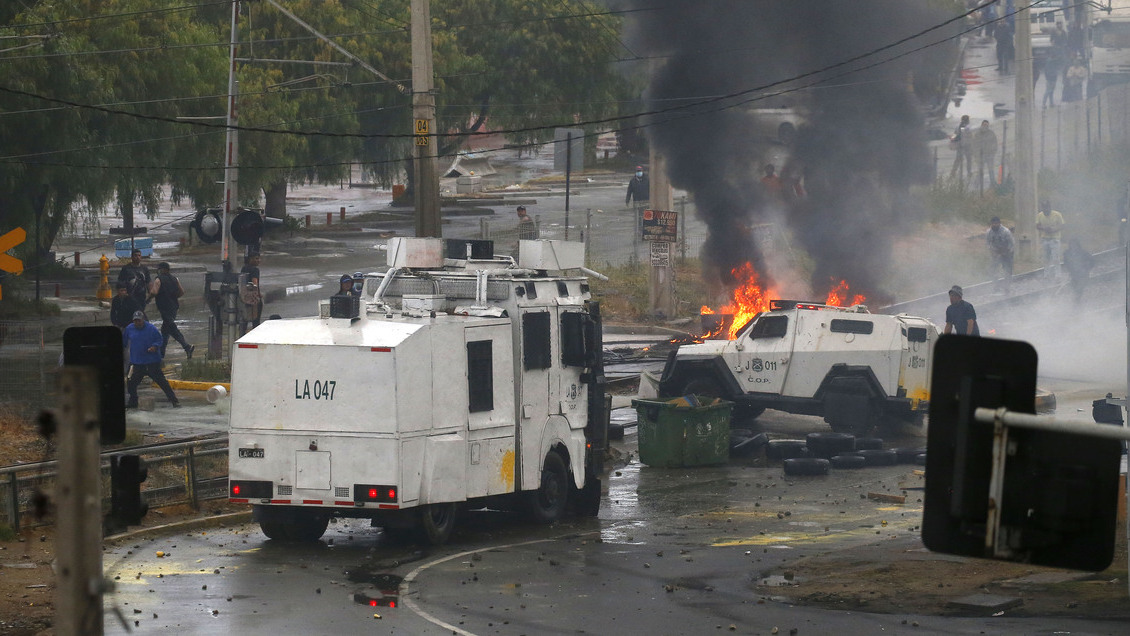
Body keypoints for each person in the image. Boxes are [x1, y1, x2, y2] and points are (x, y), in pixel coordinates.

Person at [122, 310, 179, 408]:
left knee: (162, 382)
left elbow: (159, 340)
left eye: (139, 321)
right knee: (131, 383)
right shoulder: (129, 329)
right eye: (135, 321)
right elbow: (124, 341)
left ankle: (174, 400)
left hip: (151, 362)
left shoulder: (151, 329)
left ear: (143, 320)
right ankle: (133, 401)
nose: (137, 323)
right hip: (137, 362)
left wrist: (154, 346)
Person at [148, 262, 194, 358]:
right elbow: (182, 292)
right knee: (166, 330)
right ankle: (161, 353)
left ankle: (187, 346)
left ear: (162, 269)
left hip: (164, 307)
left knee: (172, 329)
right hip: (173, 307)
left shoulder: (158, 279)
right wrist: (173, 297)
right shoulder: (175, 279)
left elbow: (154, 291)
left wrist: (149, 298)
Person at [1036, 199, 1066, 280]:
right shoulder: (1040, 215)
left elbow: (1062, 225)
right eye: (1043, 208)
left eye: (1046, 208)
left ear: (1049, 207)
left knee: (1055, 258)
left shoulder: (1057, 214)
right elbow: (1037, 226)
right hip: (1044, 239)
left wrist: (1054, 229)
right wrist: (1044, 228)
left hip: (1055, 239)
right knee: (1046, 258)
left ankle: (1058, 275)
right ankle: (1046, 275)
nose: (1045, 210)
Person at [985, 216, 1014, 293]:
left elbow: (1011, 244)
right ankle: (996, 286)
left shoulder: (1006, 232)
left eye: (996, 223)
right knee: (993, 270)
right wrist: (992, 251)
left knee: (1007, 270)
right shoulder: (989, 232)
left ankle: (1007, 287)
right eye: (993, 224)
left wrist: (1006, 252)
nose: (994, 225)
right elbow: (988, 243)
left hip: (1006, 253)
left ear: (999, 223)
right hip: (995, 253)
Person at [240, 253, 262, 334]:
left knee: (244, 319)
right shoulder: (255, 270)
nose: (259, 260)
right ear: (250, 259)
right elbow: (255, 283)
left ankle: (242, 335)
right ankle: (255, 336)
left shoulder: (244, 268)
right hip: (253, 298)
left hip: (244, 297)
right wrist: (258, 295)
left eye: (259, 258)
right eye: (256, 258)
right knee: (256, 320)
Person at [974, 120, 998, 188]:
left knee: (991, 170)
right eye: (984, 125)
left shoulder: (991, 133)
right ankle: (976, 184)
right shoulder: (977, 134)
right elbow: (975, 145)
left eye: (986, 125)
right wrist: (976, 155)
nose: (985, 126)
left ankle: (993, 183)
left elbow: (995, 144)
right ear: (981, 125)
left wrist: (993, 153)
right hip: (981, 156)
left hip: (990, 155)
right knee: (980, 170)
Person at [949, 115, 973, 181]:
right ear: (967, 120)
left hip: (960, 146)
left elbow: (955, 135)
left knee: (957, 160)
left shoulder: (957, 126)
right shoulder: (967, 127)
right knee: (968, 160)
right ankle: (969, 173)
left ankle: (953, 173)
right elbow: (967, 135)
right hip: (966, 146)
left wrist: (951, 139)